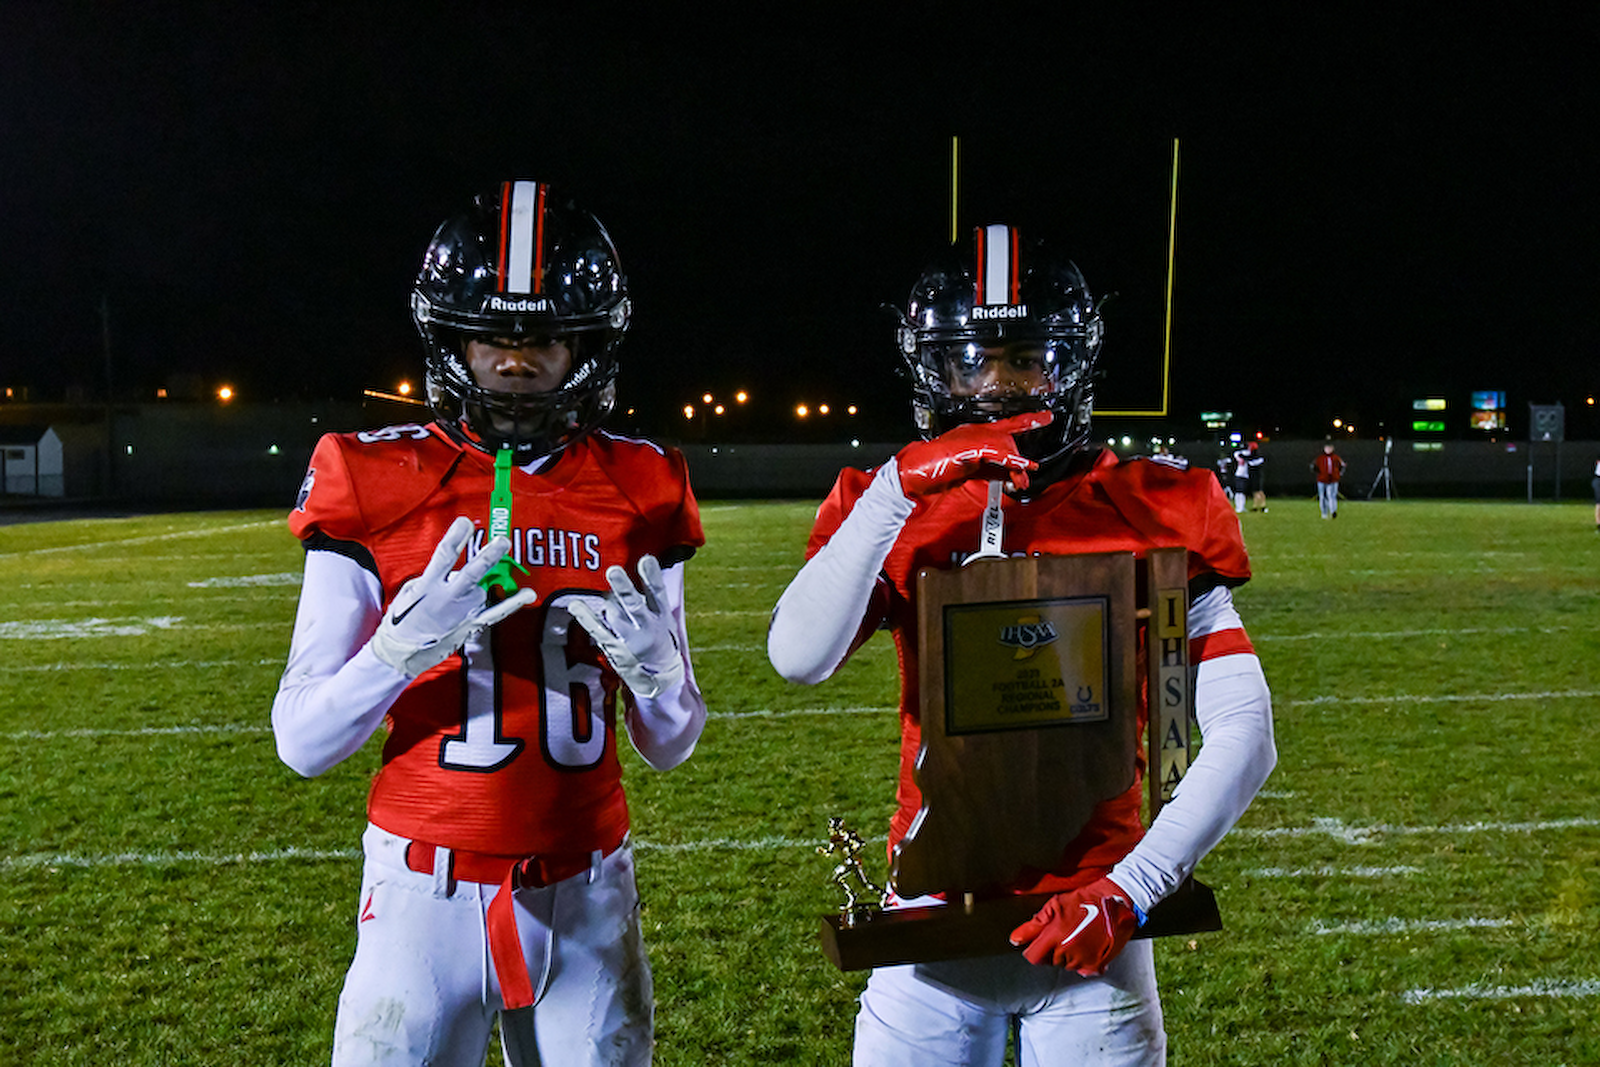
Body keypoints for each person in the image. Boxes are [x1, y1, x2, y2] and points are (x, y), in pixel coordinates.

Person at [767, 223, 1276, 1066]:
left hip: (1096, 923)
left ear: (1071, 365)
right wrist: (896, 489)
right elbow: (798, 655)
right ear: (933, 369)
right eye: (971, 362)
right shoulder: (891, 506)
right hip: (929, 919)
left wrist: (1129, 890)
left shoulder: (1150, 504)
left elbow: (1244, 728)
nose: (997, 386)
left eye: (1026, 358)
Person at [271, 180, 707, 1066]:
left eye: (541, 339)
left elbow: (670, 744)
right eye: (493, 338)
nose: (515, 362)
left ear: (585, 344)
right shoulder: (369, 474)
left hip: (589, 888)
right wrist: (396, 650)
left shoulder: (641, 480)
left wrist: (662, 677)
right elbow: (302, 742)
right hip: (420, 893)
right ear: (450, 339)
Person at [1312, 442, 1346, 519]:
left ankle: (1333, 510)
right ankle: (1324, 513)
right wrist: (1320, 474)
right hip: (1322, 480)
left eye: (1330, 448)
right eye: (1327, 448)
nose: (1328, 449)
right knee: (1322, 497)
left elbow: (1342, 466)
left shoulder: (1336, 458)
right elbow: (1314, 467)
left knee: (1332, 495)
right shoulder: (1320, 458)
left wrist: (1338, 475)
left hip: (1333, 480)